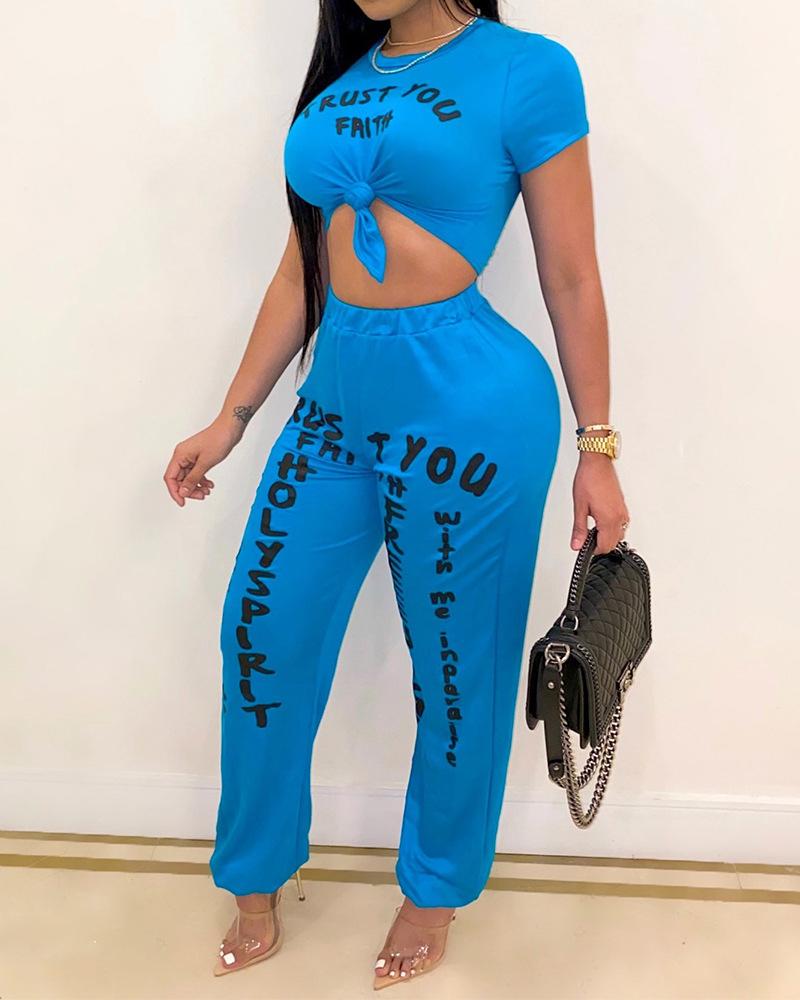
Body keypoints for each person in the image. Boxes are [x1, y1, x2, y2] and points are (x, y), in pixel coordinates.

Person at [164, 0, 629, 989]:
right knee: (261, 634)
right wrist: (232, 418)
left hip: (469, 408)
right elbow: (303, 270)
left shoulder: (526, 69)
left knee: (457, 672)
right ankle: (254, 870)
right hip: (332, 408)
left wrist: (597, 447)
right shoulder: (343, 79)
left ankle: (433, 890)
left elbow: (571, 274)